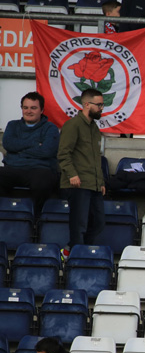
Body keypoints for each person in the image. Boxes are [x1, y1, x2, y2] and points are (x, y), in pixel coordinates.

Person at [58, 87, 105, 259]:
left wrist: (100, 182)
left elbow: (95, 158)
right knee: (79, 225)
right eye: (98, 105)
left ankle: (71, 250)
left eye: (102, 105)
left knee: (99, 223)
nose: (101, 108)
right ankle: (77, 260)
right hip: (77, 183)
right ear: (86, 104)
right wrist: (72, 174)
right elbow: (63, 153)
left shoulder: (94, 128)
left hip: (93, 184)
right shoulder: (73, 125)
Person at [0, 91, 60, 212]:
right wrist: (35, 144)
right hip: (13, 168)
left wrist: (19, 151)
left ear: (42, 110)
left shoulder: (51, 128)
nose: (28, 111)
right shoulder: (12, 125)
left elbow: (47, 151)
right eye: (25, 107)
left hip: (39, 170)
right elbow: (8, 144)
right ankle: (5, 214)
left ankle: (36, 217)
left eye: (33, 108)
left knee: (43, 182)